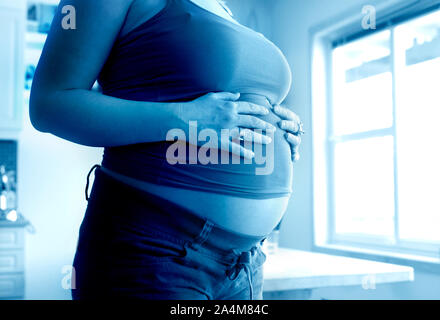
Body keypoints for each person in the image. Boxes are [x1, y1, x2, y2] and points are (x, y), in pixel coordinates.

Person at [30, 0, 303, 300]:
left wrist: (277, 123)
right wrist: (184, 120)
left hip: (244, 263)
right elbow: (50, 103)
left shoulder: (224, 8)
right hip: (155, 250)